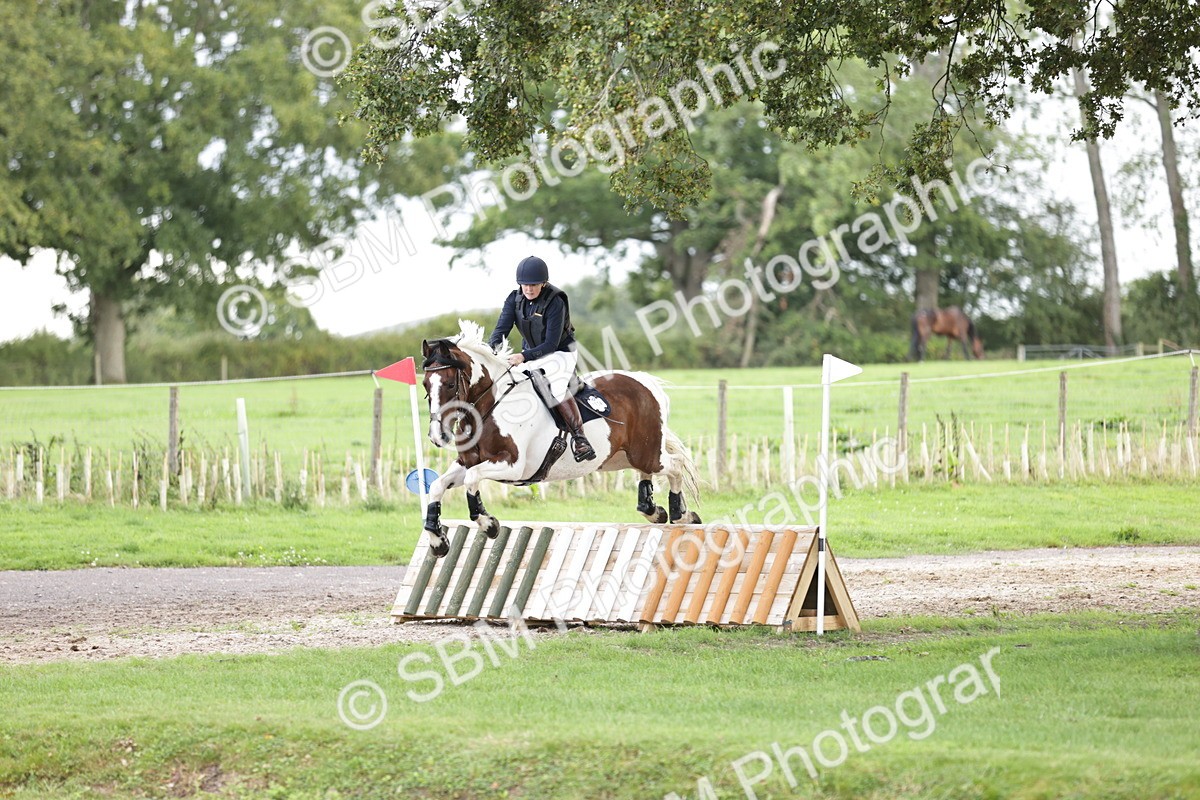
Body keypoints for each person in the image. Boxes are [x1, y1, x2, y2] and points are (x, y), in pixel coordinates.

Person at [488, 256, 596, 462]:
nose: (528, 289)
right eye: (525, 284)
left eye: (534, 285)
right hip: (530, 354)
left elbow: (550, 345)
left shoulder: (555, 301)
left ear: (543, 283)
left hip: (560, 353)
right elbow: (501, 330)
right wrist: (490, 351)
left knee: (555, 386)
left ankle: (580, 439)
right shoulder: (514, 299)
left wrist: (522, 356)